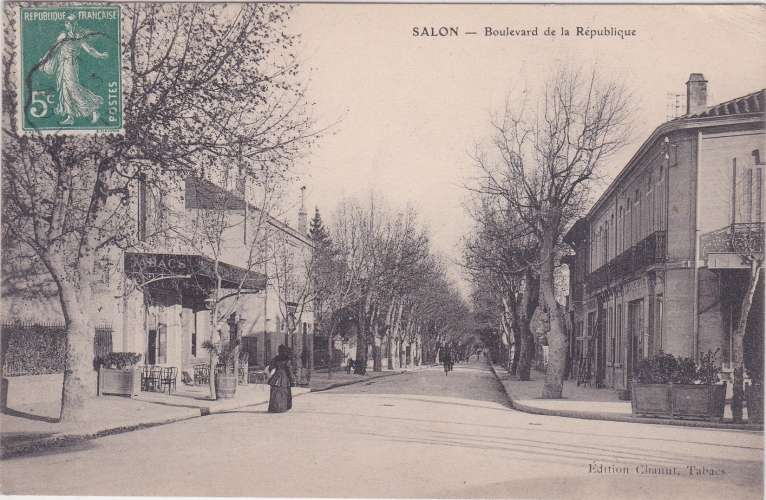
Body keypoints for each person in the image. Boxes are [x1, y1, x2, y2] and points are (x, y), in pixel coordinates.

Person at [39, 14, 108, 126]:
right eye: (66, 22)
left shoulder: (79, 36)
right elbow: (53, 48)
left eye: (69, 22)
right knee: (64, 89)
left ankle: (93, 111)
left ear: (74, 23)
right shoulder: (63, 35)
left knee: (73, 88)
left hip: (71, 65)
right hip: (62, 64)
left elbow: (89, 49)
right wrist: (44, 59)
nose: (67, 24)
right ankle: (70, 116)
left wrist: (99, 55)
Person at [267, 345, 294, 413]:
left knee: (275, 392)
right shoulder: (287, 360)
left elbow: (270, 367)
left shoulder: (276, 358)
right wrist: (292, 379)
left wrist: (271, 372)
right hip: (284, 377)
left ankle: (274, 408)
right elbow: (289, 370)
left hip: (276, 376)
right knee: (284, 392)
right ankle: (282, 408)